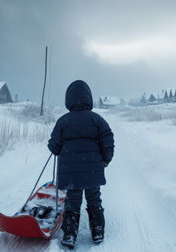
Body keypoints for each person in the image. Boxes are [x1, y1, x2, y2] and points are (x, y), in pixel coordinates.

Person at [48, 80, 114, 248]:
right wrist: (106, 159)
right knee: (94, 200)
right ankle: (98, 230)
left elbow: (54, 146)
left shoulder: (63, 121)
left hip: (70, 173)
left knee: (72, 202)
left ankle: (70, 234)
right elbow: (108, 141)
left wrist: (57, 147)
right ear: (89, 98)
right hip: (92, 171)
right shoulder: (97, 120)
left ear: (68, 99)